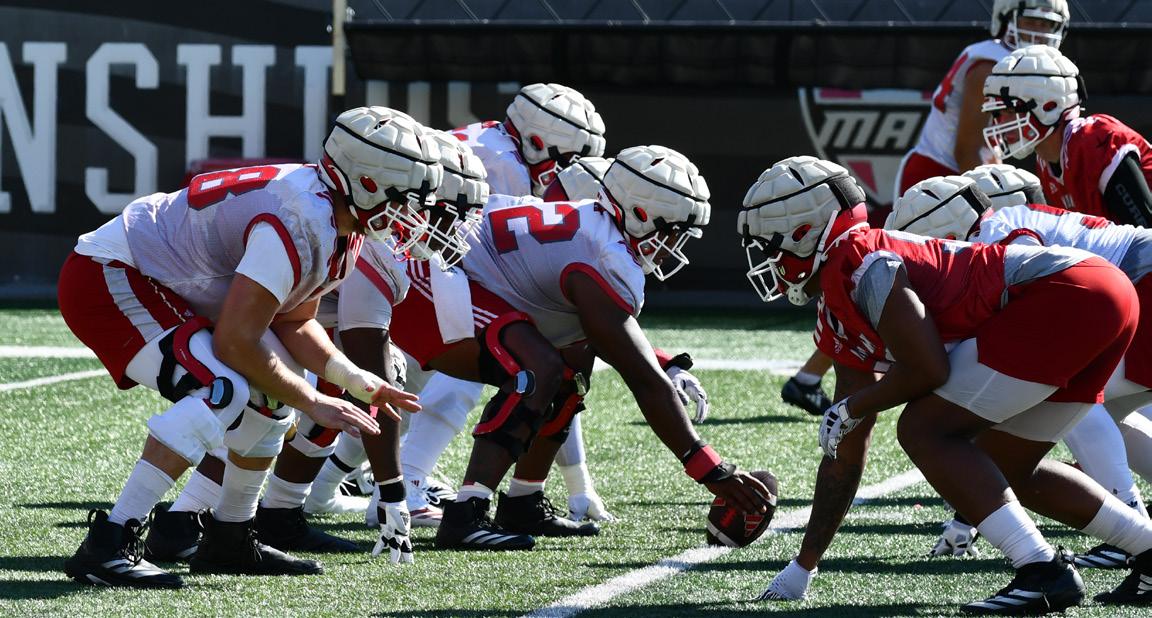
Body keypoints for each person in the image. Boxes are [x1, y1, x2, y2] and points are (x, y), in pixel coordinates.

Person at [743, 156, 1152, 613]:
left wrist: (853, 408)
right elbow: (847, 450)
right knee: (1010, 466)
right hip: (1101, 293)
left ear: (803, 232)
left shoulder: (856, 260)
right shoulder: (841, 293)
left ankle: (1041, 570)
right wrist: (804, 565)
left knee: (923, 430)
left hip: (1071, 292)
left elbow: (928, 370)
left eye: (769, 245)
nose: (766, 259)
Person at [56, 106, 434, 587]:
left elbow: (295, 322)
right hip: (113, 272)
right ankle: (109, 542)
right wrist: (314, 399)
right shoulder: (302, 217)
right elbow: (237, 342)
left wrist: (352, 378)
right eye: (404, 197)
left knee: (271, 397)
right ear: (364, 182)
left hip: (166, 281)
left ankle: (229, 536)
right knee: (224, 389)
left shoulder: (335, 220)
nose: (412, 214)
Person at [388, 144, 770, 550]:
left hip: (456, 275)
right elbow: (643, 380)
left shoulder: (595, 232)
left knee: (573, 363)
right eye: (672, 230)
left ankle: (523, 501)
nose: (675, 244)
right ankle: (466, 514)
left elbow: (605, 340)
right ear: (640, 213)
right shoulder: (604, 254)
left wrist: (664, 363)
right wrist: (711, 468)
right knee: (538, 369)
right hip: (426, 276)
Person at [888, 167, 1152, 574]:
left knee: (1068, 391)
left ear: (943, 234)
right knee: (1093, 408)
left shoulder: (997, 239)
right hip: (1136, 288)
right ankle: (1138, 531)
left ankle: (1135, 529)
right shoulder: (1000, 228)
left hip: (1142, 283)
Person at [894, 0, 1069, 201]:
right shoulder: (989, 66)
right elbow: (968, 151)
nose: (1038, 33)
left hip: (965, 173)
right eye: (1029, 21)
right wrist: (995, 202)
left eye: (1046, 24)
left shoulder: (1014, 64)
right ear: (1005, 20)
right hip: (938, 176)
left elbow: (988, 145)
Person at [982, 45, 1152, 226]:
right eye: (997, 114)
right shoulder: (1046, 162)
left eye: (1010, 111)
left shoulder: (1096, 142)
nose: (1001, 123)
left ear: (1049, 105)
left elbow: (1146, 231)